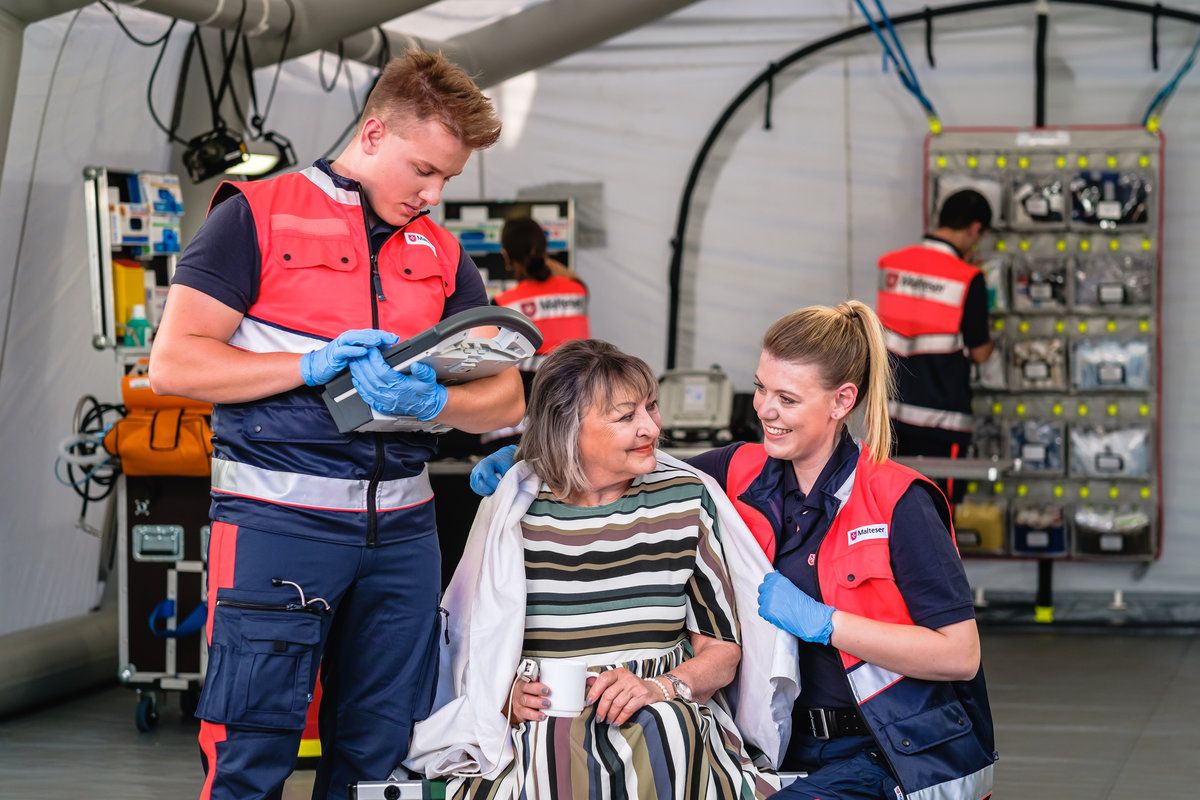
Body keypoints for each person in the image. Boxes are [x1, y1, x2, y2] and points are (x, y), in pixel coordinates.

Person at [149, 49, 525, 800]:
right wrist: (309, 365)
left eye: (447, 179)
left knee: (382, 755)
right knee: (249, 748)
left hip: (406, 539)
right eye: (424, 170)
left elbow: (509, 396)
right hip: (278, 527)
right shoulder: (254, 214)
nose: (432, 193)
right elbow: (176, 366)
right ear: (376, 132)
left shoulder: (444, 255)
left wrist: (434, 405)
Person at [471, 303, 997, 800]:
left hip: (890, 748)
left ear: (841, 401)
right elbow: (621, 460)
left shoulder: (899, 501)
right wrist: (530, 459)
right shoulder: (735, 473)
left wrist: (826, 622)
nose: (766, 410)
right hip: (788, 743)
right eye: (760, 389)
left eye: (788, 399)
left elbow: (959, 655)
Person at [406, 339, 797, 800]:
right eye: (625, 416)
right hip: (548, 717)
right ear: (568, 427)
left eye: (651, 407)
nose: (650, 427)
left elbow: (723, 650)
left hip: (662, 703)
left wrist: (663, 686)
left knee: (664, 733)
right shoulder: (516, 508)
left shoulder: (686, 498)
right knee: (553, 750)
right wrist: (505, 701)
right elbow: (475, 651)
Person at [876, 188, 995, 502]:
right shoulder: (968, 278)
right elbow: (981, 352)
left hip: (892, 417)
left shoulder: (892, 266)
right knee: (940, 516)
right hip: (942, 423)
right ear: (974, 229)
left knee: (892, 509)